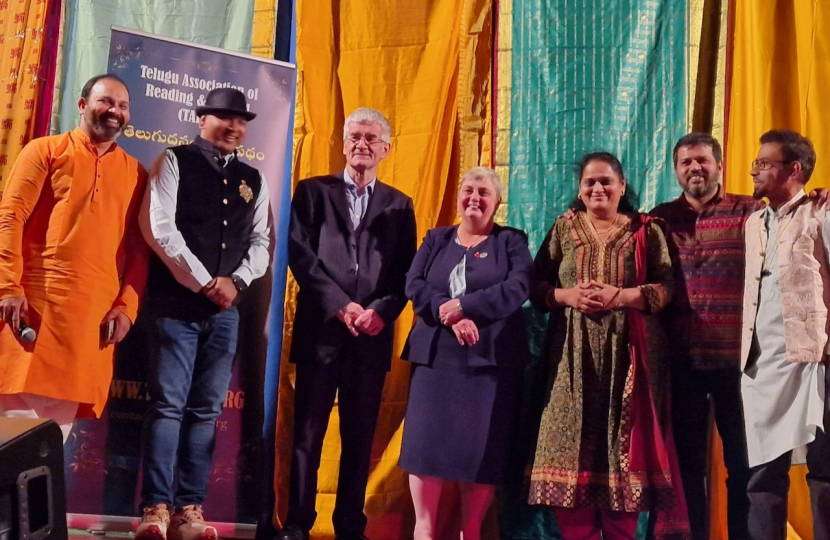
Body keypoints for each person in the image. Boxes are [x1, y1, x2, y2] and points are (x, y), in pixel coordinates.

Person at [528, 152, 688, 539]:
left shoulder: (646, 230)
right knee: (570, 459)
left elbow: (668, 289)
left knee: (624, 465)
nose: (598, 188)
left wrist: (622, 296)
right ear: (580, 192)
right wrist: (568, 297)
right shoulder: (565, 229)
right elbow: (536, 288)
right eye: (590, 183)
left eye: (606, 181)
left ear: (621, 187)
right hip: (570, 361)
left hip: (630, 361)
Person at [136, 87, 271, 540]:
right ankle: (155, 508)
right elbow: (159, 228)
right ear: (202, 120)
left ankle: (188, 510)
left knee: (206, 410)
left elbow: (261, 242)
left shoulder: (254, 175)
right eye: (224, 117)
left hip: (227, 312)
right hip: (175, 306)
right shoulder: (173, 161)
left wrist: (238, 281)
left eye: (241, 120)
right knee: (168, 406)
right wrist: (206, 282)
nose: (234, 127)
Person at [279, 107, 417, 540]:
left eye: (370, 138)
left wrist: (379, 312)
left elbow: (405, 273)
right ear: (343, 143)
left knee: (359, 441)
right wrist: (341, 305)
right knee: (308, 435)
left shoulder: (400, 204)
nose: (362, 144)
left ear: (386, 149)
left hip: (371, 339)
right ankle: (299, 523)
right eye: (354, 136)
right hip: (321, 333)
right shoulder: (312, 192)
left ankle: (349, 527)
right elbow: (300, 255)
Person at [0, 74, 147, 442]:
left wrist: (127, 306)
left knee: (47, 447)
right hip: (33, 311)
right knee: (10, 441)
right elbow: (10, 217)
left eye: (123, 105)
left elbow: (139, 250)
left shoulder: (135, 173)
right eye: (106, 102)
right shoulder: (45, 150)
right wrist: (7, 287)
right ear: (82, 106)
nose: (114, 111)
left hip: (89, 325)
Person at [400, 167, 533, 540]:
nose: (474, 198)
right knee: (425, 453)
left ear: (497, 202)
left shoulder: (511, 242)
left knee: (479, 456)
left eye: (484, 193)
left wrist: (466, 307)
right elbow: (414, 283)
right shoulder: (435, 239)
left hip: (488, 367)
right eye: (468, 190)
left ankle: (470, 532)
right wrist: (449, 313)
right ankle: (423, 532)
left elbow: (519, 286)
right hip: (435, 363)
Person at [649, 133, 757, 540]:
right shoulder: (658, 219)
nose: (695, 168)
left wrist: (817, 198)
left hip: (740, 365)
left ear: (719, 165)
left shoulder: (751, 212)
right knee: (688, 467)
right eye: (686, 163)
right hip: (682, 366)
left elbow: (795, 221)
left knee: (744, 465)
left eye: (702, 161)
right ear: (676, 170)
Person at [740, 129, 829, 540]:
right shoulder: (754, 223)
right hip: (762, 363)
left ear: (794, 170)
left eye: (763, 163)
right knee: (763, 474)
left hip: (814, 361)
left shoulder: (821, 214)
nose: (754, 171)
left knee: (825, 470)